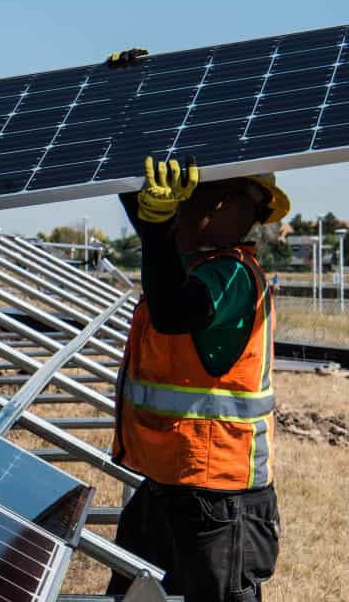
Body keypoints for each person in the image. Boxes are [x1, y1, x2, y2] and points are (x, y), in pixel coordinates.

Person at [109, 156, 286, 602]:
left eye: (186, 199)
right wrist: (125, 169)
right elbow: (159, 249)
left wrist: (157, 224)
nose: (175, 209)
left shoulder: (233, 275)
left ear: (226, 204)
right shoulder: (188, 264)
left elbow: (172, 309)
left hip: (216, 499)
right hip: (168, 487)